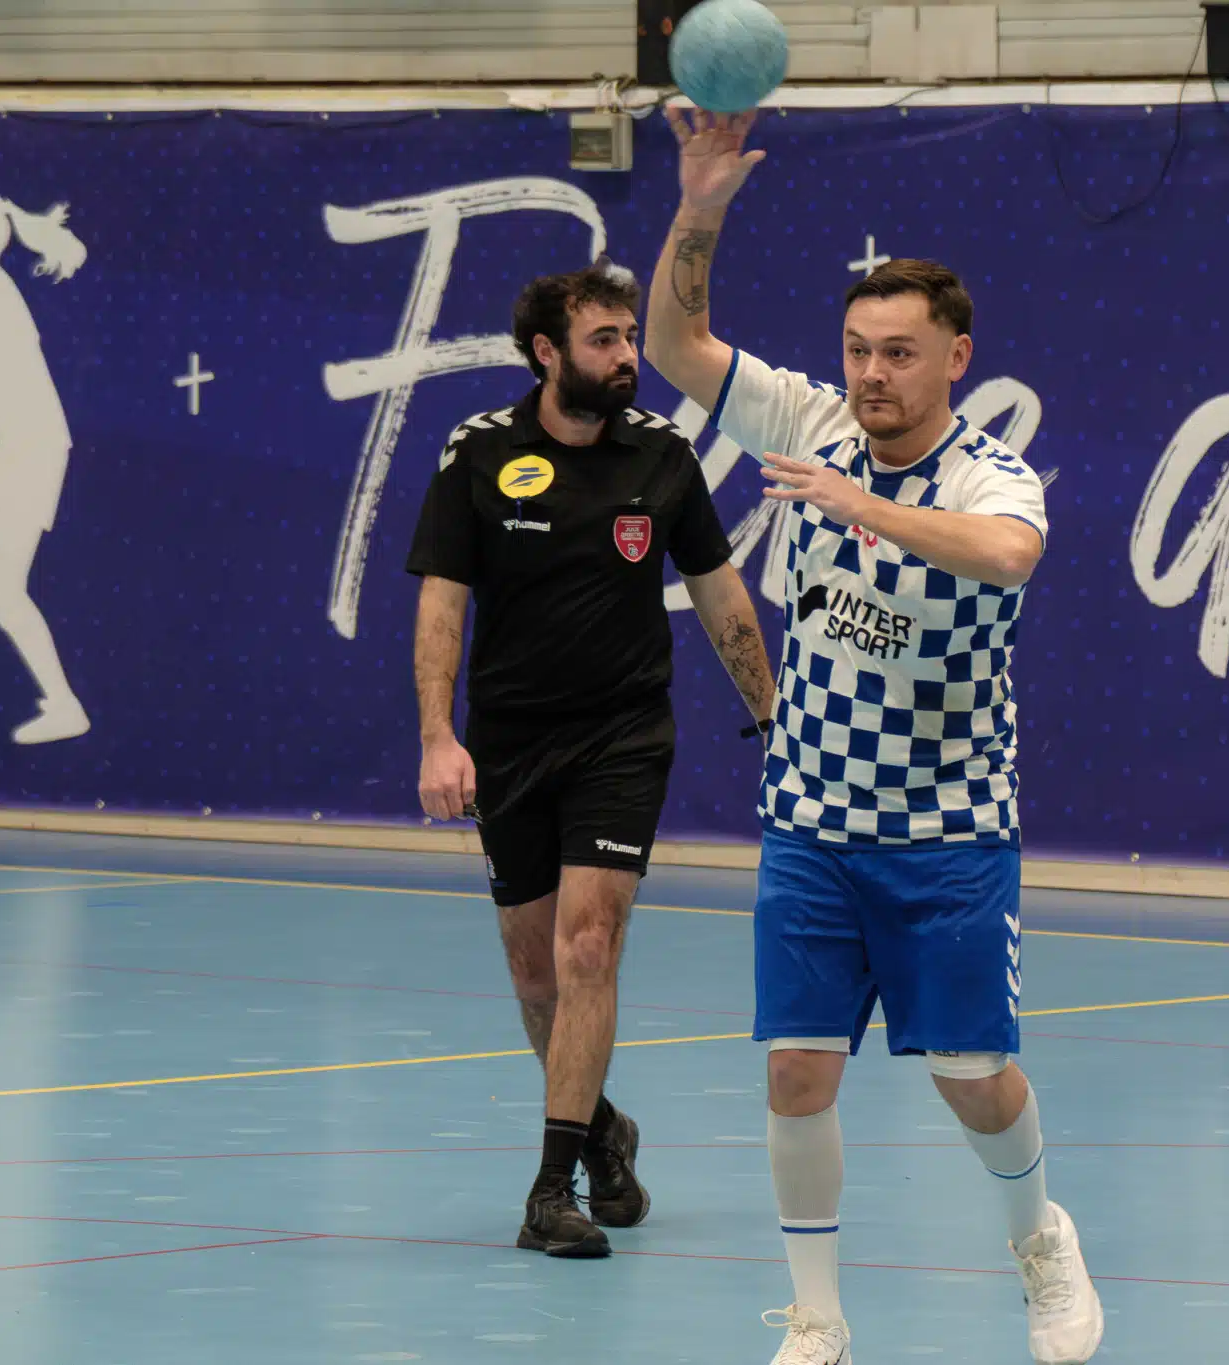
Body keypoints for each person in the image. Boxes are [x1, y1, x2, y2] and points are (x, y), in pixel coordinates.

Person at [646, 110, 1104, 1365]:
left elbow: (1008, 556)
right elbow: (673, 344)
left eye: (898, 353)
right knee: (796, 1070)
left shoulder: (989, 475)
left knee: (971, 1074)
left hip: (948, 826)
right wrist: (700, 205)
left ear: (955, 356)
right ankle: (818, 1315)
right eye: (856, 350)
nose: (869, 375)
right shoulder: (806, 421)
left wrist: (865, 506)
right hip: (811, 817)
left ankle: (1039, 1240)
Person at [406, 257, 776, 1259]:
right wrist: (439, 736)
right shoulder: (478, 453)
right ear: (546, 353)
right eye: (602, 340)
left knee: (587, 948)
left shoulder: (662, 454)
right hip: (511, 741)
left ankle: (549, 1188)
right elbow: (442, 601)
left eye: (627, 337)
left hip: (623, 735)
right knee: (535, 973)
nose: (625, 357)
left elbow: (720, 592)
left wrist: (772, 720)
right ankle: (603, 1129)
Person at [0, 188, 90, 746]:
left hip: (32, 449)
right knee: (4, 592)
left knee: (3, 589)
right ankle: (66, 705)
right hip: (38, 448)